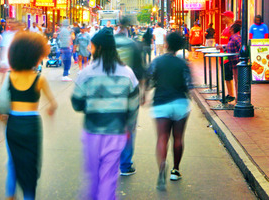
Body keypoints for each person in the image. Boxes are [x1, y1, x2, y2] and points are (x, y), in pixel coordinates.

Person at [71, 28, 139, 200]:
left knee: (93, 177)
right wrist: (128, 126)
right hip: (116, 133)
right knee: (108, 178)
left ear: (99, 48)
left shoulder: (86, 73)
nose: (89, 49)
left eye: (92, 47)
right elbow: (133, 106)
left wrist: (91, 105)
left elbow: (76, 102)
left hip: (92, 131)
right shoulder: (128, 73)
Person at [0, 32, 58, 200]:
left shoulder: (10, 76)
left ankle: (10, 194)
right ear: (35, 56)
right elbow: (53, 104)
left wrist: (2, 117)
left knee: (13, 161)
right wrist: (50, 110)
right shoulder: (39, 79)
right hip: (31, 125)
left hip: (13, 124)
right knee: (30, 165)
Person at [146, 31, 193, 190]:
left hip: (161, 103)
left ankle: (161, 168)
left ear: (166, 44)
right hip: (180, 102)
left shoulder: (157, 61)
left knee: (162, 137)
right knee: (178, 138)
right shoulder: (183, 63)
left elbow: (149, 80)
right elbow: (189, 85)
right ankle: (175, 170)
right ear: (179, 46)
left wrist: (145, 93)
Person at [115, 16, 145, 176]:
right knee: (128, 127)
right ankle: (125, 165)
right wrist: (143, 92)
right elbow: (140, 71)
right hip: (129, 92)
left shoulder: (109, 44)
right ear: (129, 27)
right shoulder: (134, 45)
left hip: (108, 91)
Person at [223, 21, 243, 104]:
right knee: (236, 80)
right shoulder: (233, 37)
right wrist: (224, 47)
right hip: (234, 63)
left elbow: (241, 47)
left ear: (233, 29)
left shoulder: (236, 37)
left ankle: (239, 99)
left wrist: (239, 58)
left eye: (231, 28)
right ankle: (238, 99)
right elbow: (231, 47)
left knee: (238, 81)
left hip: (236, 62)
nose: (229, 29)